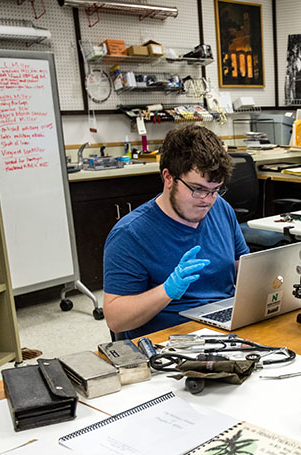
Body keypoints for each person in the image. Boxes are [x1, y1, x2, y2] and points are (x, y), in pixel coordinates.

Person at [103, 125, 249, 338]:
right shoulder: (130, 234)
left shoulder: (221, 209)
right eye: (198, 189)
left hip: (225, 326)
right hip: (170, 339)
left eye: (215, 190)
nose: (207, 201)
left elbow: (242, 266)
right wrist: (167, 291)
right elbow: (116, 320)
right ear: (168, 178)